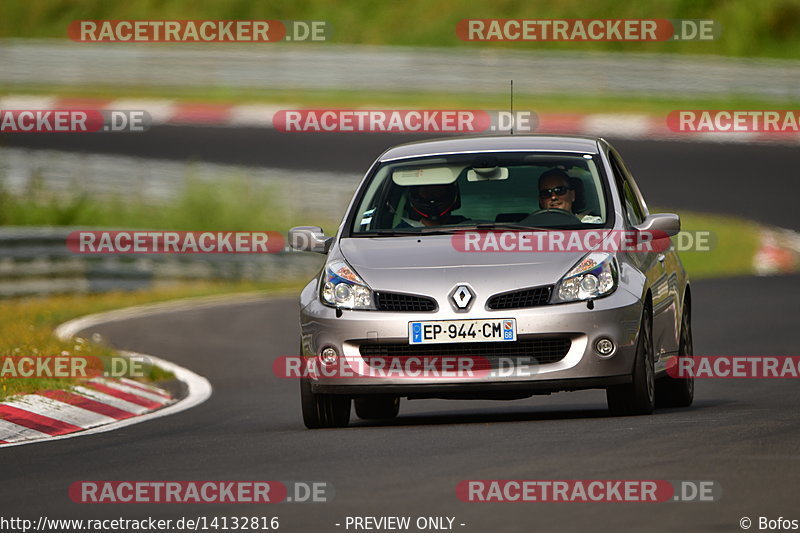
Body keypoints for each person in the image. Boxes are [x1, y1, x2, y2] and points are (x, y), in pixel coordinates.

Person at [535, 169, 602, 223]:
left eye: (560, 190)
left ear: (572, 195)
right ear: (541, 201)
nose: (553, 197)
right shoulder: (530, 228)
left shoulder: (591, 225)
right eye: (546, 193)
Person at [397, 183, 466, 227]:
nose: (432, 198)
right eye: (426, 192)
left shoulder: (467, 227)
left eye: (438, 192)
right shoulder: (400, 232)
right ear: (416, 196)